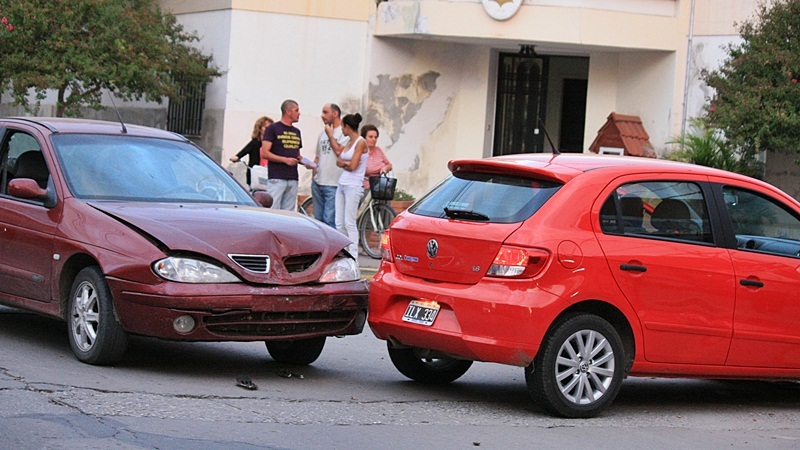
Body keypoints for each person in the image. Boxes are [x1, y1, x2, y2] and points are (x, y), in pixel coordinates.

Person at [261, 99, 311, 210]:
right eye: (296, 110)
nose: (299, 113)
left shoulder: (296, 132)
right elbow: (265, 153)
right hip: (277, 177)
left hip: (292, 177)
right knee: (273, 209)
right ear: (288, 112)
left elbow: (298, 155)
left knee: (289, 213)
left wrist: (307, 163)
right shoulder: (272, 129)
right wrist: (284, 160)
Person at [335, 113, 369, 257]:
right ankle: (343, 252)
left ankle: (353, 255)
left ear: (347, 127)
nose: (341, 129)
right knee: (339, 222)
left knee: (349, 222)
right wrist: (346, 163)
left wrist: (346, 163)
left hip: (353, 185)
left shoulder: (360, 142)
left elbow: (353, 166)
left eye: (342, 126)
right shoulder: (349, 143)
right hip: (342, 183)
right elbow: (339, 161)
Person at [312, 103, 349, 227]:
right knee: (318, 221)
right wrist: (314, 176)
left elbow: (339, 152)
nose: (322, 116)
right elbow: (318, 156)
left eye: (325, 112)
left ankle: (331, 247)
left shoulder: (344, 133)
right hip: (318, 182)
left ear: (335, 113)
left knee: (330, 220)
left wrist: (330, 136)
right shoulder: (322, 133)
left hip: (333, 183)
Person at [230, 116, 273, 186]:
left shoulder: (273, 143)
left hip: (269, 173)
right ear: (259, 129)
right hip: (256, 173)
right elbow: (245, 150)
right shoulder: (255, 142)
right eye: (266, 128)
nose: (268, 130)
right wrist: (237, 157)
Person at [360, 124, 392, 197]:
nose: (374, 139)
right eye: (370, 137)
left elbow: (389, 164)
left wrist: (385, 168)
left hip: (379, 186)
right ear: (364, 138)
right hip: (364, 187)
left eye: (375, 137)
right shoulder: (360, 152)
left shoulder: (378, 150)